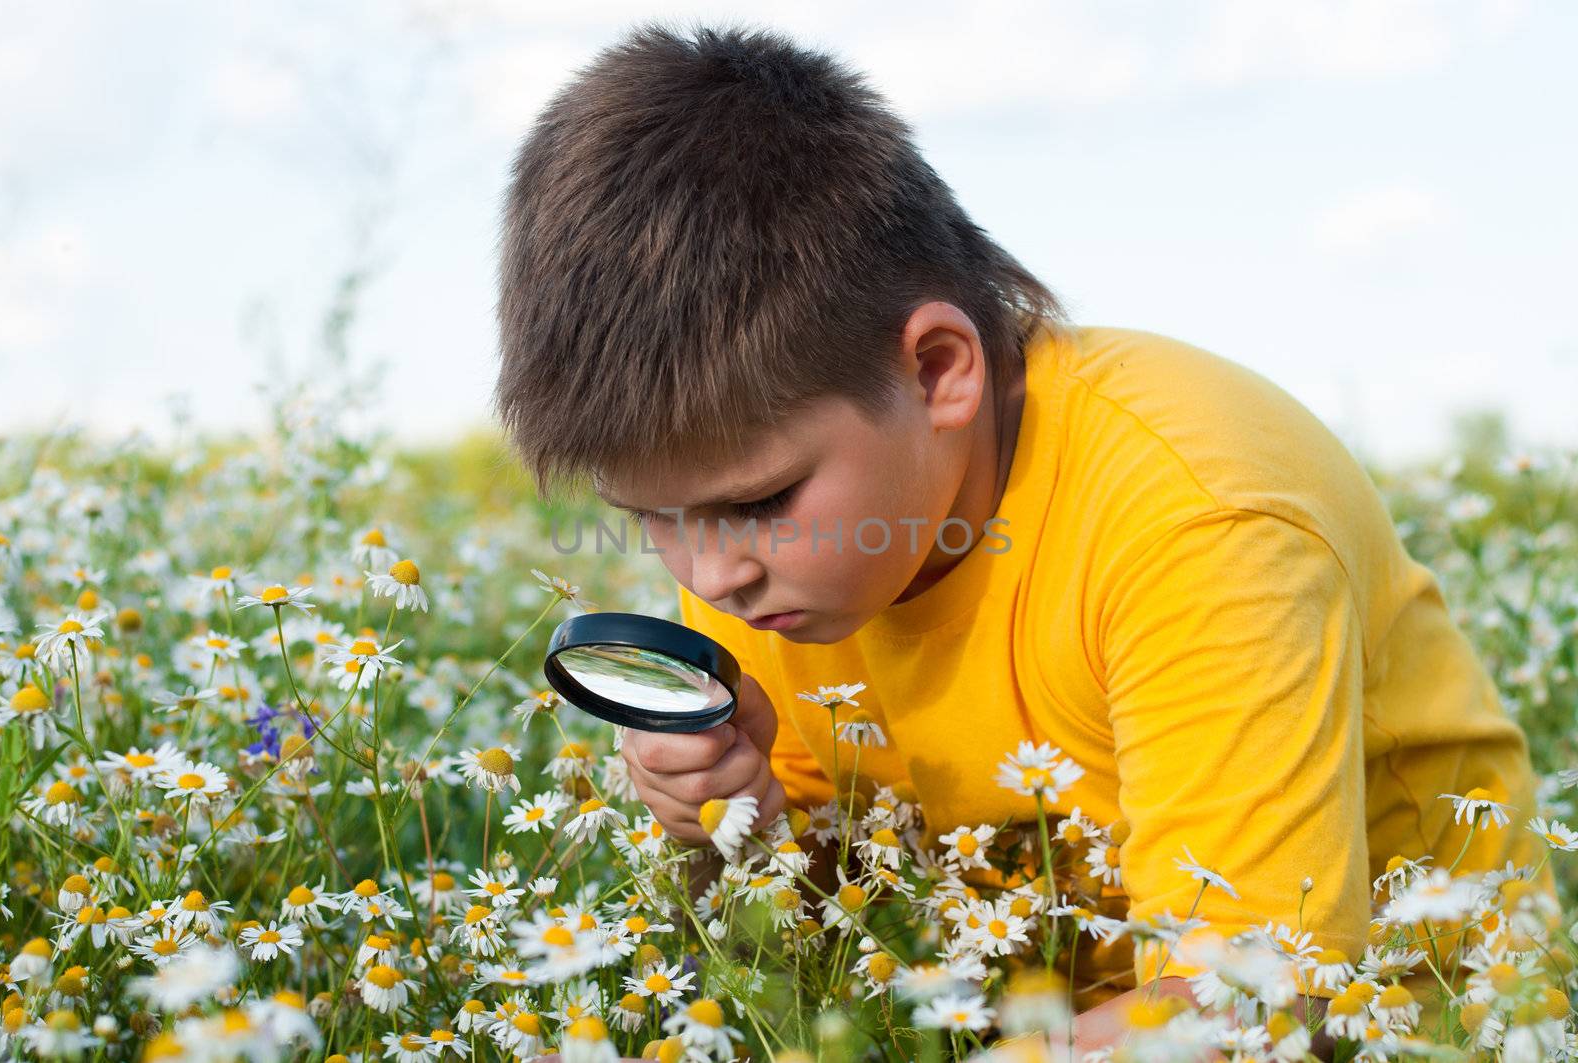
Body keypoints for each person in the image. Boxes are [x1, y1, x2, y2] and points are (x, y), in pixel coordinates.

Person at [492, 19, 1551, 1054]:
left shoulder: (1194, 512)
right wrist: (734, 829)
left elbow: (1261, 1000)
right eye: (652, 521)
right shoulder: (782, 563)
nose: (710, 573)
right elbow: (837, 943)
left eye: (759, 501)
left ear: (938, 371)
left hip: (1432, 1020)